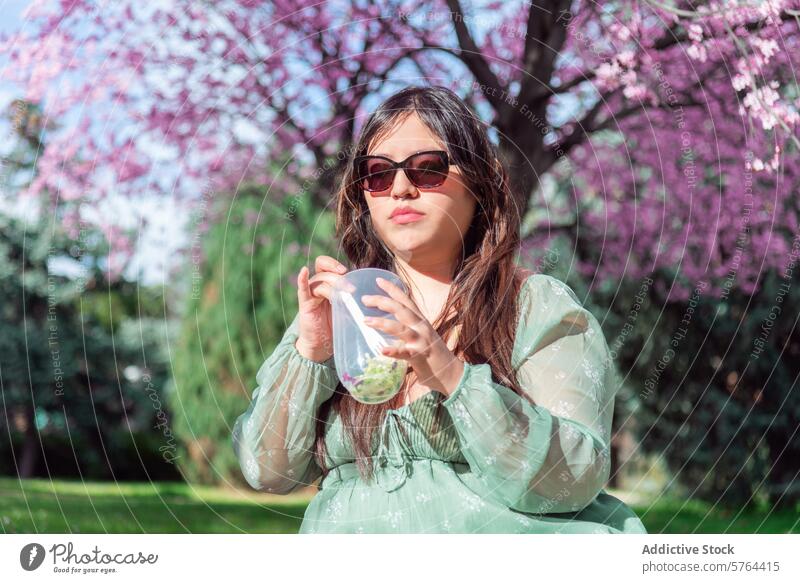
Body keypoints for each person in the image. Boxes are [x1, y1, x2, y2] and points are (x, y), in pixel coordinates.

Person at [231, 85, 648, 534]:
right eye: (378, 174)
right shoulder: (341, 311)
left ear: (479, 182)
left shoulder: (534, 304)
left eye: (428, 169)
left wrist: (449, 375)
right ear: (364, 195)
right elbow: (267, 471)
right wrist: (310, 353)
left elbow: (576, 478)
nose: (402, 189)